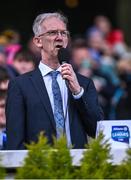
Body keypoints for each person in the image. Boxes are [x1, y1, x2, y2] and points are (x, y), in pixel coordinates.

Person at [6, 12, 104, 150]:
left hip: (76, 167)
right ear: (38, 41)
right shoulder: (20, 85)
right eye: (52, 32)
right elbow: (15, 140)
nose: (59, 37)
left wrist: (78, 93)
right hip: (39, 167)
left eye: (63, 33)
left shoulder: (84, 84)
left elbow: (98, 131)